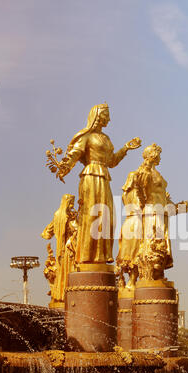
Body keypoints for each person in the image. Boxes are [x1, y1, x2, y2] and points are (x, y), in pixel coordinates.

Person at [58, 103, 141, 268]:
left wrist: (126, 148)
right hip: (90, 176)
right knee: (91, 215)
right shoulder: (87, 136)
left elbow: (111, 162)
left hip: (104, 177)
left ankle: (102, 255)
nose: (109, 119)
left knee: (106, 216)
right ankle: (87, 256)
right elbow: (75, 154)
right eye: (106, 115)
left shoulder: (106, 139)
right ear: (97, 116)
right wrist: (64, 166)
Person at [116, 143, 188, 288]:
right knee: (151, 244)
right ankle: (146, 275)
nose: (160, 157)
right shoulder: (143, 172)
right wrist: (139, 205)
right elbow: (134, 191)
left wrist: (178, 208)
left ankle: (157, 274)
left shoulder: (156, 174)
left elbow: (163, 198)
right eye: (158, 154)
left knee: (160, 246)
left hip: (161, 213)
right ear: (152, 155)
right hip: (151, 213)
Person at [42, 194, 77, 306]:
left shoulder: (58, 214)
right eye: (71, 202)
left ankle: (61, 294)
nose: (72, 205)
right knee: (67, 270)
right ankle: (65, 294)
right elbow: (75, 228)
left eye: (73, 203)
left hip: (63, 249)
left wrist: (46, 232)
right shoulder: (65, 216)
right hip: (67, 249)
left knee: (64, 271)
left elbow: (48, 232)